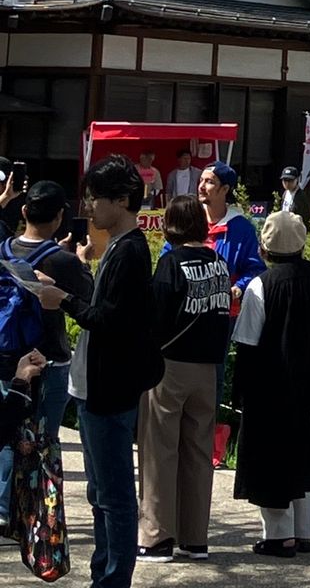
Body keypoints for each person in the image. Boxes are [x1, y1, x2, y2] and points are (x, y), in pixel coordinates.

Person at [37, 153, 164, 588]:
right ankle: (104, 573)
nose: (88, 207)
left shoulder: (130, 251)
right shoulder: (118, 247)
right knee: (100, 494)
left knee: (113, 497)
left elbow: (110, 319)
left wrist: (63, 300)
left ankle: (112, 578)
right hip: (95, 387)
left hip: (109, 390)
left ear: (123, 199)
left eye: (95, 199)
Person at [231, 211, 310, 558]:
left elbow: (248, 344)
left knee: (270, 461)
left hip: (271, 388)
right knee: (306, 456)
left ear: (265, 247)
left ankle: (278, 535)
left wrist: (240, 393)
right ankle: (303, 533)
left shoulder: (261, 286)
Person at [137, 194, 231, 562]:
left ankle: (157, 536)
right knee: (197, 453)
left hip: (170, 365)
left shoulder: (171, 264)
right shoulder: (219, 264)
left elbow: (154, 319)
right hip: (207, 368)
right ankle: (195, 538)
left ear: (169, 225)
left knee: (159, 453)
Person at [2, 180, 92, 440]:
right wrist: (82, 261)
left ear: (24, 212)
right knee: (42, 443)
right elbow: (88, 300)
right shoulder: (63, 261)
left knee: (7, 442)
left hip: (6, 358)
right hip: (48, 361)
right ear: (59, 216)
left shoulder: (2, 251)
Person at [190, 162, 265, 301]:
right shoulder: (189, 220)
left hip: (225, 311)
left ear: (224, 189)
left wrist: (239, 287)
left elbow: (255, 268)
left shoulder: (241, 228)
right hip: (189, 308)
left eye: (209, 182)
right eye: (201, 180)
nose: (201, 186)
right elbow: (169, 256)